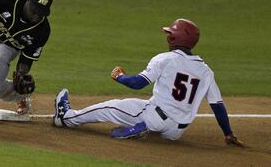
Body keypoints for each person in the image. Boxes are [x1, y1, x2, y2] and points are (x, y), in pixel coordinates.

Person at [52, 18, 246, 147]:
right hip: (177, 131)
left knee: (110, 107)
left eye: (170, 33)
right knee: (146, 108)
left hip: (155, 116)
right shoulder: (205, 71)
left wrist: (119, 76)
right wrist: (228, 133)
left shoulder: (165, 59)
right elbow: (217, 106)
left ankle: (66, 117)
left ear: (174, 38)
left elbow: (138, 83)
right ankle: (145, 127)